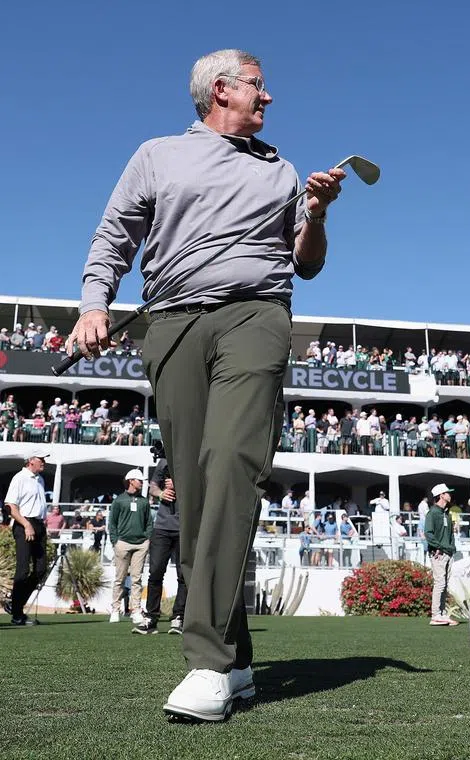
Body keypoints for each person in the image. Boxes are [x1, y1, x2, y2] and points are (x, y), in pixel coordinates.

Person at [68, 48, 347, 722]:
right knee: (194, 493)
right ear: (221, 90)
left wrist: (316, 212)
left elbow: (305, 265)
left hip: (257, 315)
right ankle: (240, 656)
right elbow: (116, 233)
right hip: (169, 324)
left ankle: (207, 663)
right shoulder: (158, 154)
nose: (269, 97)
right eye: (259, 85)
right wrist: (92, 303)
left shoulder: (282, 171)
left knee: (230, 465)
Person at [134, 462, 186, 635]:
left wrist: (180, 484)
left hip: (186, 528)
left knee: (183, 574)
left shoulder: (194, 456)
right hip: (162, 527)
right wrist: (162, 492)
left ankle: (179, 617)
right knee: (155, 572)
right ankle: (151, 618)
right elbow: (153, 487)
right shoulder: (164, 461)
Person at [4, 449, 51, 626]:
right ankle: (17, 613)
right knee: (22, 571)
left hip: (38, 525)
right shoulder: (19, 478)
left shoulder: (40, 479)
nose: (44, 462)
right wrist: (26, 524)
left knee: (40, 569)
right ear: (31, 461)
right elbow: (10, 506)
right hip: (24, 524)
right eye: (41, 459)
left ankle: (15, 604)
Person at [108, 469, 152, 624]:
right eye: (139, 480)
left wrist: (147, 539)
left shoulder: (144, 501)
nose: (141, 482)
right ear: (131, 481)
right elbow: (112, 523)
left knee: (137, 579)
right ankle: (115, 609)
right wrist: (115, 541)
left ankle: (136, 610)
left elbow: (149, 522)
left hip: (141, 544)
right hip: (123, 543)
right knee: (119, 579)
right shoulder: (119, 501)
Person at [423, 483, 459, 627]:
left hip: (448, 553)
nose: (449, 495)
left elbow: (450, 535)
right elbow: (428, 533)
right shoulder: (432, 513)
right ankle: (436, 614)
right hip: (438, 553)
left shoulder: (446, 513)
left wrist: (451, 548)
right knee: (440, 583)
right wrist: (437, 547)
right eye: (447, 493)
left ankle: (441, 613)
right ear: (441, 495)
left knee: (444, 584)